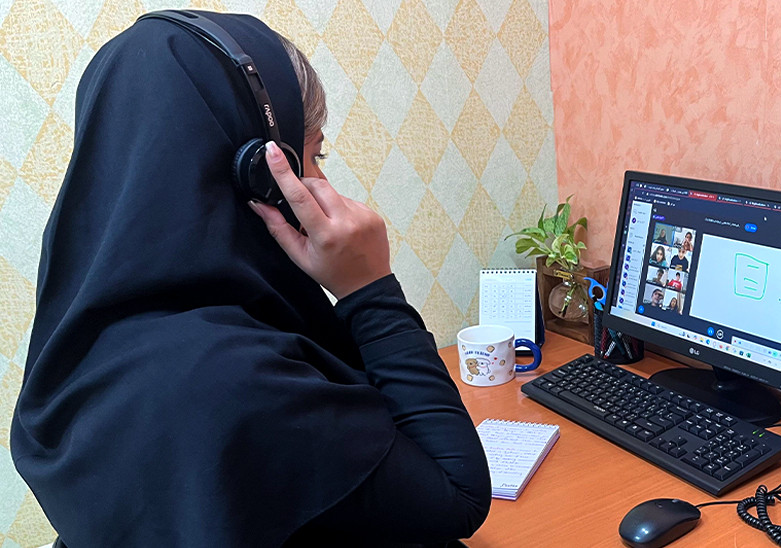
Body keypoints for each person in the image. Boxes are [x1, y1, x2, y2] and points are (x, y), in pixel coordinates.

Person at [10, 12, 489, 547]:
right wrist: (370, 289)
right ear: (260, 173)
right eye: (313, 156)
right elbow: (458, 496)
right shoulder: (237, 382)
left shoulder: (74, 349)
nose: (322, 184)